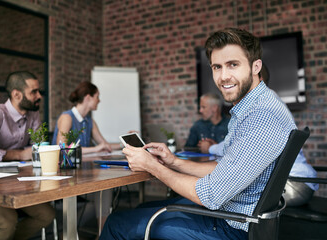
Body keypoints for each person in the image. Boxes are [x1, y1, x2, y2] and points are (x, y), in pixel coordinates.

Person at [99, 28, 297, 239]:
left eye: (233, 65)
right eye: (217, 67)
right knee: (142, 208)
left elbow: (211, 195)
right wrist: (173, 161)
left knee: (117, 222)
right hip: (229, 214)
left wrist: (152, 166)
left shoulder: (262, 117)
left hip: (231, 227)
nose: (223, 76)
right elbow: (223, 167)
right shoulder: (254, 107)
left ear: (256, 66)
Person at [203, 63, 318, 206]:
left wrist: (210, 149)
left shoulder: (262, 108)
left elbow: (235, 149)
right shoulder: (268, 101)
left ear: (259, 78)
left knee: (230, 194)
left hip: (292, 185)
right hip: (296, 181)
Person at [0, 71, 55, 240]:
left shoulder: (33, 113)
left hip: (15, 182)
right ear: (16, 94)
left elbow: (38, 146)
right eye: (34, 92)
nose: (39, 96)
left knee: (47, 214)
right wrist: (20, 154)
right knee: (7, 221)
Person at [52, 81, 120, 231]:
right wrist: (95, 148)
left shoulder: (90, 121)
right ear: (88, 98)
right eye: (97, 97)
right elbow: (61, 148)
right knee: (102, 189)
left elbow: (105, 145)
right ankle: (71, 230)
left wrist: (125, 142)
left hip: (83, 174)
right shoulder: (67, 117)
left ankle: (101, 234)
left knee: (105, 186)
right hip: (65, 176)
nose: (99, 100)